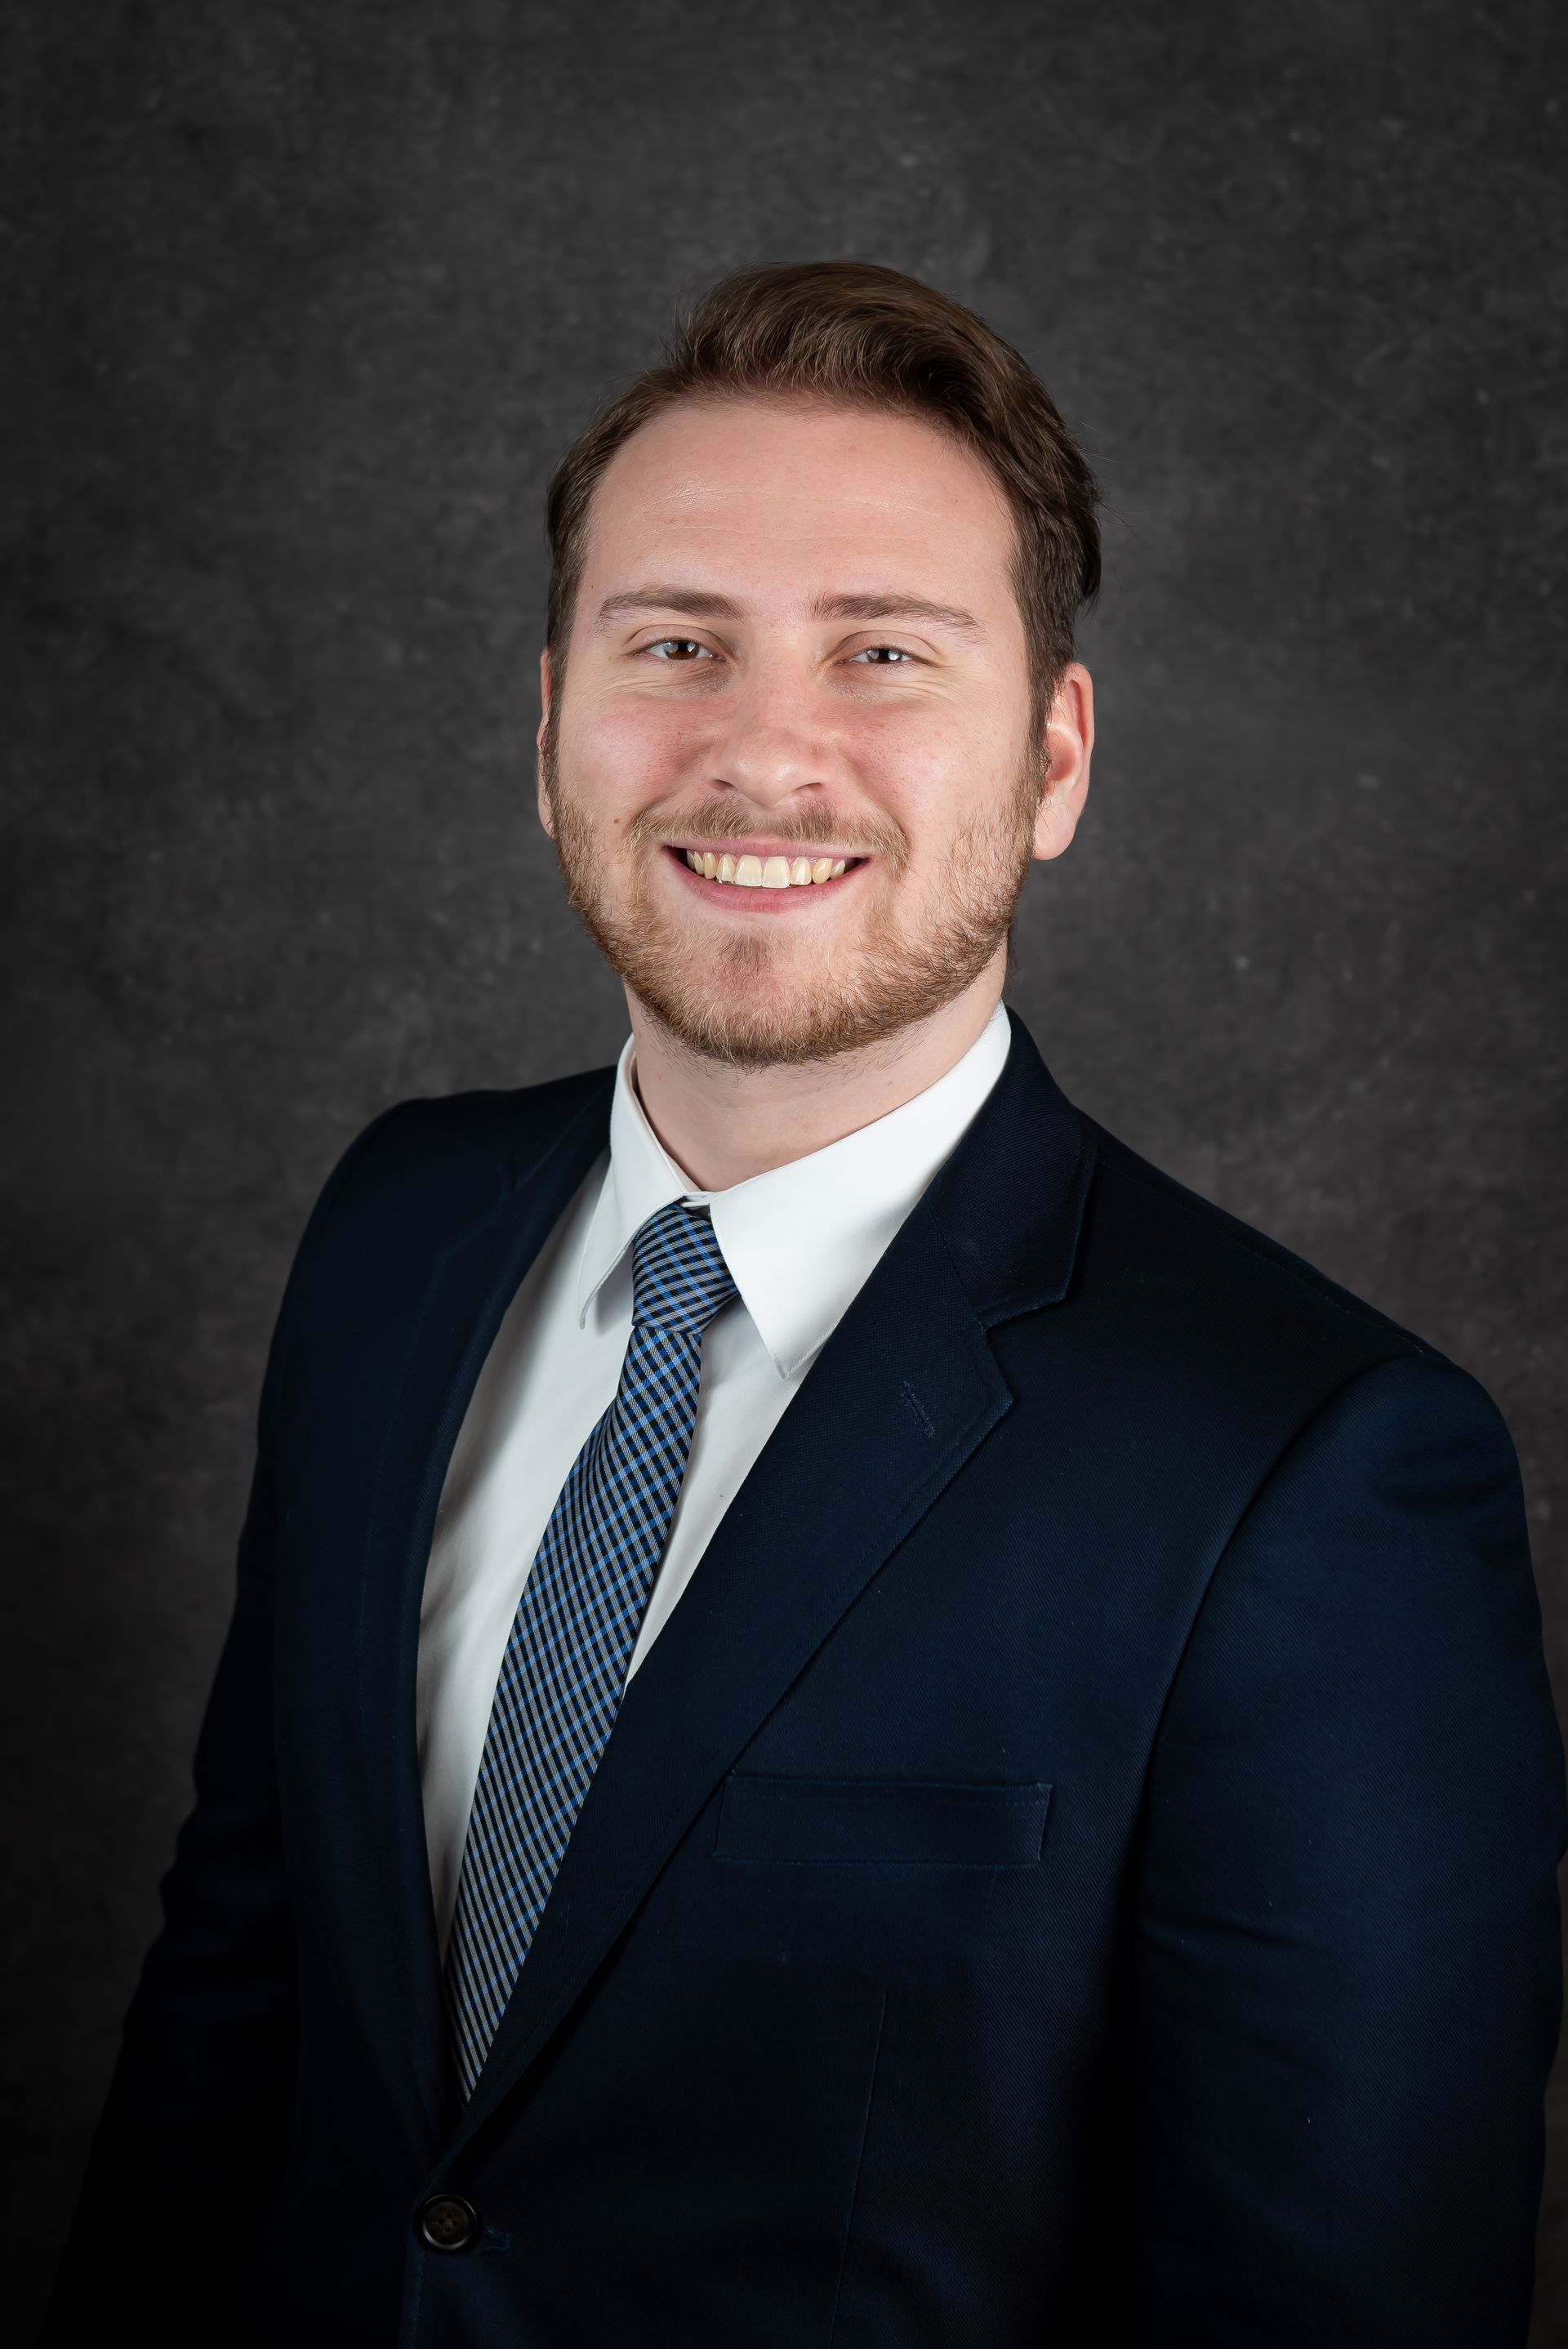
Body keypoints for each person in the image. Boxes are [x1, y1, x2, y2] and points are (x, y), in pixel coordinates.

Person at [47, 261, 1565, 2348]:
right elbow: (233, 2010)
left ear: (1053, 759)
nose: (767, 753)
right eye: (675, 643)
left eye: (882, 654)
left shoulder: (1312, 1473)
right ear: (550, 723)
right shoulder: (396, 1226)